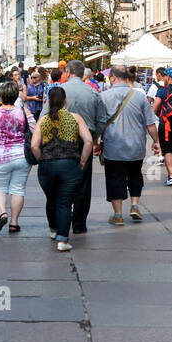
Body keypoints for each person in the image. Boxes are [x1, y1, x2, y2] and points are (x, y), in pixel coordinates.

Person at [28, 86, 93, 252]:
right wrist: (83, 160)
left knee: (51, 198)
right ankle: (63, 240)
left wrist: (41, 159)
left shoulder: (43, 120)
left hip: (47, 166)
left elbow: (34, 145)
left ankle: (53, 229)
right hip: (70, 164)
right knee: (64, 202)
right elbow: (88, 142)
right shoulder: (75, 118)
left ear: (48, 101)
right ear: (65, 101)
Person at [98, 64, 160, 225]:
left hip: (113, 146)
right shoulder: (140, 96)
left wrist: (96, 142)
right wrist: (156, 141)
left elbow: (100, 123)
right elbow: (150, 123)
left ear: (112, 77)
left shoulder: (104, 97)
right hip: (136, 146)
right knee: (135, 175)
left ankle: (118, 214)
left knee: (114, 178)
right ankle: (134, 205)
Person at [59, 59, 107, 232]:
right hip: (85, 141)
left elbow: (44, 116)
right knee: (83, 182)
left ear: (69, 73)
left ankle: (60, 221)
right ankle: (79, 224)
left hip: (62, 140)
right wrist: (95, 138)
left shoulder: (59, 90)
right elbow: (102, 119)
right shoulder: (93, 92)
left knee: (62, 179)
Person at [0, 80, 36, 232]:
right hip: (21, 156)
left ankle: (2, 213)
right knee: (18, 189)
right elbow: (35, 130)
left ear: (0, 96)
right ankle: (14, 222)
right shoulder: (24, 112)